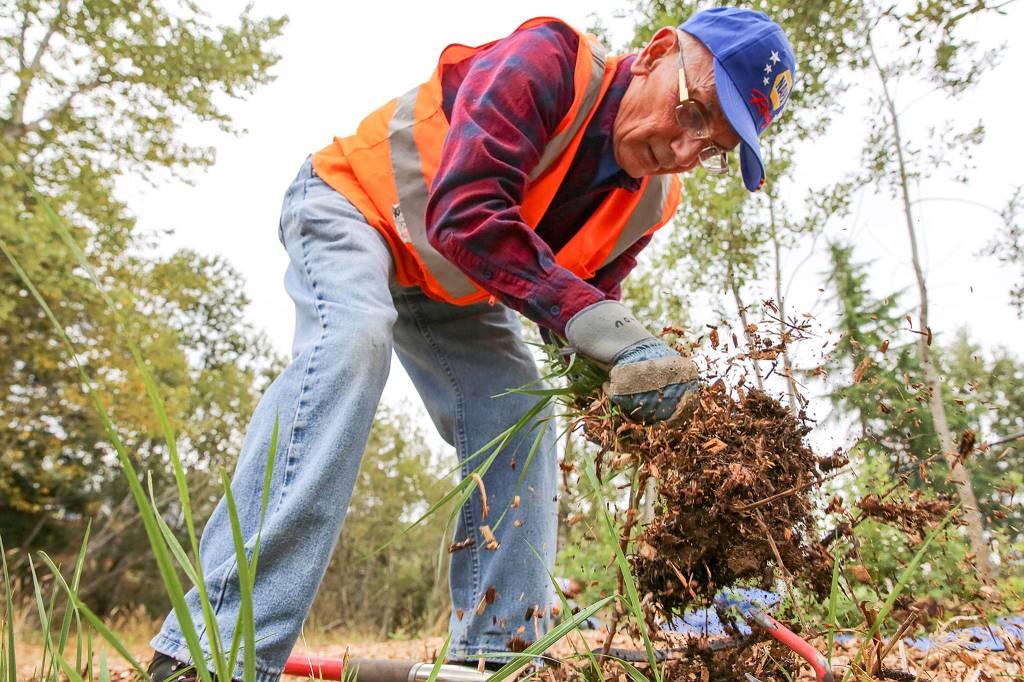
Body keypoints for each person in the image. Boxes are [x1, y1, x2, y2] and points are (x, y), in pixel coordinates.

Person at [147, 8, 796, 681]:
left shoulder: (652, 203)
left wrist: (628, 401)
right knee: (354, 342)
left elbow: (574, 309)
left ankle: (498, 653)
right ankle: (214, 649)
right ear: (659, 52)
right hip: (355, 208)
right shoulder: (552, 64)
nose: (688, 150)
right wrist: (612, 334)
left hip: (450, 285)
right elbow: (467, 210)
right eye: (695, 115)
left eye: (715, 148)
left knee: (520, 413)